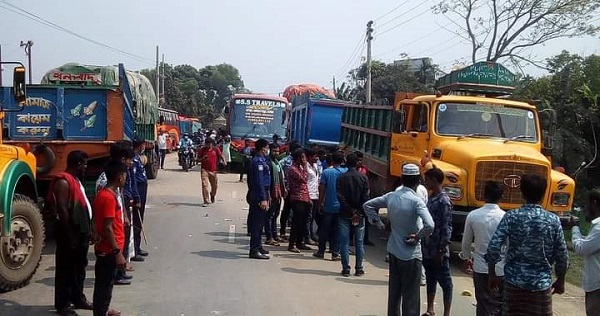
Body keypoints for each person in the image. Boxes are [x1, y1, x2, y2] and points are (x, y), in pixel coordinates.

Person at [485, 174, 569, 316]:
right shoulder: (553, 220)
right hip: (541, 286)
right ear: (544, 193)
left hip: (513, 285)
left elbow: (494, 247)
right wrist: (561, 280)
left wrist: (492, 273)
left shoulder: (511, 216)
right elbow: (562, 254)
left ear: (522, 193)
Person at [363, 163, 434, 316]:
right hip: (411, 255)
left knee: (394, 294)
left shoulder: (391, 196)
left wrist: (380, 224)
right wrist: (418, 236)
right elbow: (430, 225)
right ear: (417, 181)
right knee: (411, 297)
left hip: (394, 251)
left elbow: (368, 205)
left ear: (402, 179)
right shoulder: (416, 201)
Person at [47, 150, 93, 316]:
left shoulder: (75, 180)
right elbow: (62, 210)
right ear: (78, 164)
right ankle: (62, 304)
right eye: (84, 164)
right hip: (69, 231)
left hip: (79, 232)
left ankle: (78, 297)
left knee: (79, 267)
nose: (86, 167)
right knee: (65, 268)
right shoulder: (63, 182)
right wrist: (70, 235)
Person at [459, 181, 505, 316]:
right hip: (500, 268)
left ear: (484, 195)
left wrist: (466, 257)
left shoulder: (473, 215)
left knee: (483, 304)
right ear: (501, 197)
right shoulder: (505, 217)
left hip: (480, 267)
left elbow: (466, 242)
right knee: (498, 305)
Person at [96, 141, 135, 285]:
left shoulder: (117, 176)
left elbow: (120, 196)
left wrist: (124, 213)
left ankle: (120, 270)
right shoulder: (107, 179)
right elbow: (106, 222)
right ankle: (117, 273)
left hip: (117, 216)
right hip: (109, 223)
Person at [92, 160, 128, 316]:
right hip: (108, 251)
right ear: (120, 177)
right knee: (104, 286)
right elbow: (107, 227)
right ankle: (100, 312)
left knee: (107, 285)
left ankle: (104, 310)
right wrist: (117, 252)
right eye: (125, 175)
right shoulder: (108, 198)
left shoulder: (107, 195)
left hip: (108, 248)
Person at [422, 166, 453, 316]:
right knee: (430, 278)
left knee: (446, 283)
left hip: (438, 249)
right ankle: (430, 309)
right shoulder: (432, 197)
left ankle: (446, 313)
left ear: (434, 180)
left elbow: (446, 227)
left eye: (427, 180)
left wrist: (441, 250)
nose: (425, 183)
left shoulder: (444, 201)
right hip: (428, 247)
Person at [336, 153, 370, 277]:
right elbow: (365, 198)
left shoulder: (341, 177)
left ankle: (346, 269)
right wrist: (358, 211)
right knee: (359, 242)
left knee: (344, 242)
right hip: (359, 215)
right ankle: (359, 268)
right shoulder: (363, 178)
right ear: (357, 163)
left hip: (345, 213)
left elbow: (340, 196)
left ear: (346, 162)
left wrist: (351, 210)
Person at [571, 189, 600, 316]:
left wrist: (575, 227)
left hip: (597, 285)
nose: (584, 209)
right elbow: (589, 243)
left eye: (586, 205)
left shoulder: (599, 227)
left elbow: (582, 249)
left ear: (594, 203)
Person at [313, 151, 346, 260]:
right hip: (341, 207)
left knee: (324, 229)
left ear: (331, 160)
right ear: (342, 161)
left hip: (328, 205)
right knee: (337, 230)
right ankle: (335, 252)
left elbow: (322, 189)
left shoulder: (327, 172)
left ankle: (321, 251)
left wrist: (320, 203)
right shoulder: (345, 172)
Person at [246, 138, 272, 259]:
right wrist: (263, 198)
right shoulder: (258, 162)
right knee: (257, 224)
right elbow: (259, 182)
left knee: (261, 223)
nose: (268, 150)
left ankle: (258, 246)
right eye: (267, 147)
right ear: (263, 148)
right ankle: (254, 250)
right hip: (258, 195)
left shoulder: (261, 160)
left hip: (262, 193)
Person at [286, 148, 312, 253]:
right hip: (297, 198)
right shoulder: (293, 169)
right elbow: (304, 178)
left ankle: (299, 242)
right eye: (302, 157)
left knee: (303, 222)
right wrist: (305, 166)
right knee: (296, 222)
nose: (304, 159)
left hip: (305, 197)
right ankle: (292, 244)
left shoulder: (300, 167)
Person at [264, 143, 286, 245]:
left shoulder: (277, 162)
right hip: (271, 192)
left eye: (277, 151)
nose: (276, 153)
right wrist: (268, 194)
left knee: (276, 214)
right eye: (274, 151)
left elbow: (281, 177)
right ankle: (269, 237)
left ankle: (275, 235)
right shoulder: (267, 162)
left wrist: (283, 189)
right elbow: (267, 180)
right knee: (269, 216)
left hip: (278, 192)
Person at [279, 141, 301, 239]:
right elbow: (280, 175)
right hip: (288, 189)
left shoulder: (302, 162)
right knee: (286, 210)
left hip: (299, 190)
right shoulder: (284, 162)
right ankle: (282, 231)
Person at [132, 138, 149, 260]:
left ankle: (137, 246)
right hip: (138, 189)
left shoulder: (138, 157)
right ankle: (134, 249)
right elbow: (132, 180)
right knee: (136, 219)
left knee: (139, 219)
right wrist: (136, 197)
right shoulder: (133, 159)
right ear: (140, 145)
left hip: (142, 188)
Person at [198, 138, 225, 206]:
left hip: (213, 171)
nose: (208, 145)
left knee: (214, 186)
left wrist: (224, 161)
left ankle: (212, 195)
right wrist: (202, 159)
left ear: (211, 144)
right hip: (204, 170)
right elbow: (198, 159)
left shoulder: (215, 149)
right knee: (204, 185)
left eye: (209, 144)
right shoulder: (202, 150)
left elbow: (221, 155)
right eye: (206, 144)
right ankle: (206, 200)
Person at [305, 148, 320, 245]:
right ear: (310, 157)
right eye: (315, 156)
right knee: (308, 217)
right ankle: (306, 237)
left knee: (312, 217)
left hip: (316, 195)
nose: (317, 158)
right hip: (309, 195)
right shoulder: (305, 167)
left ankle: (311, 234)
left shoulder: (315, 166)